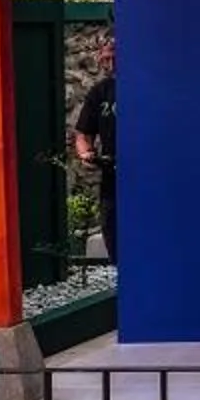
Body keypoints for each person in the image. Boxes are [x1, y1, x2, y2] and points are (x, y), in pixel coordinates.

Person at [72, 38, 117, 262]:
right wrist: (85, 153)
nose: (110, 64)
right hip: (112, 176)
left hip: (147, 175)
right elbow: (83, 133)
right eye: (106, 58)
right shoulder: (101, 92)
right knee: (113, 231)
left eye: (115, 58)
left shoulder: (144, 87)